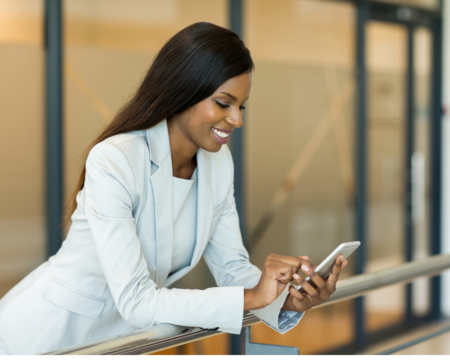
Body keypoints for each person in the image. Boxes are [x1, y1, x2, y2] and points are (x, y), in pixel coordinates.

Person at [0, 22, 347, 355]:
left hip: (116, 343)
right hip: (39, 340)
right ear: (182, 91)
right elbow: (137, 299)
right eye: (223, 103)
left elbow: (233, 269)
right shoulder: (115, 160)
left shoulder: (217, 163)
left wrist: (285, 295)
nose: (237, 119)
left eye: (241, 106)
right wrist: (254, 297)